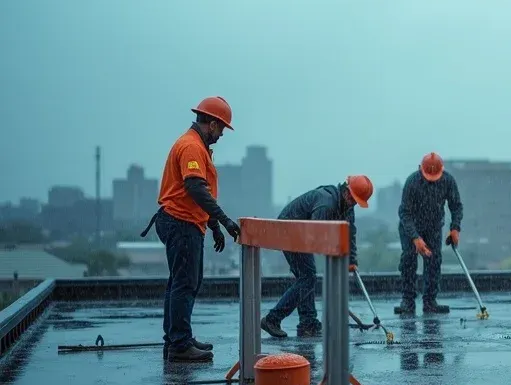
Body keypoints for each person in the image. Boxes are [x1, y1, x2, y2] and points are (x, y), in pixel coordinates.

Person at [142, 96, 241, 363]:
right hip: (181, 223)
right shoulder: (191, 147)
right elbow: (195, 188)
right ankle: (179, 344)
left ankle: (177, 338)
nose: (221, 135)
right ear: (212, 124)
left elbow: (197, 194)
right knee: (185, 284)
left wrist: (213, 225)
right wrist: (224, 221)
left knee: (181, 283)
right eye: (221, 128)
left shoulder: (196, 146)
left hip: (184, 222)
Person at [260, 175, 373, 338]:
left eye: (356, 202)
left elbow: (349, 233)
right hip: (289, 231)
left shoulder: (347, 206)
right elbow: (317, 236)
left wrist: (351, 260)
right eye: (353, 199)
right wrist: (334, 255)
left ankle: (308, 323)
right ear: (346, 191)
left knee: (306, 277)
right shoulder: (326, 203)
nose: (353, 203)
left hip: (302, 232)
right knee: (307, 278)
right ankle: (272, 319)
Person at [394, 152, 463, 315]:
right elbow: (404, 212)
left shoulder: (448, 181)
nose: (432, 181)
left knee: (434, 261)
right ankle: (408, 301)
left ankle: (430, 302)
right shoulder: (412, 182)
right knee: (409, 259)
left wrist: (455, 228)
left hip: (433, 227)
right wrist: (415, 238)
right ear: (421, 169)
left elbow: (456, 206)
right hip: (410, 227)